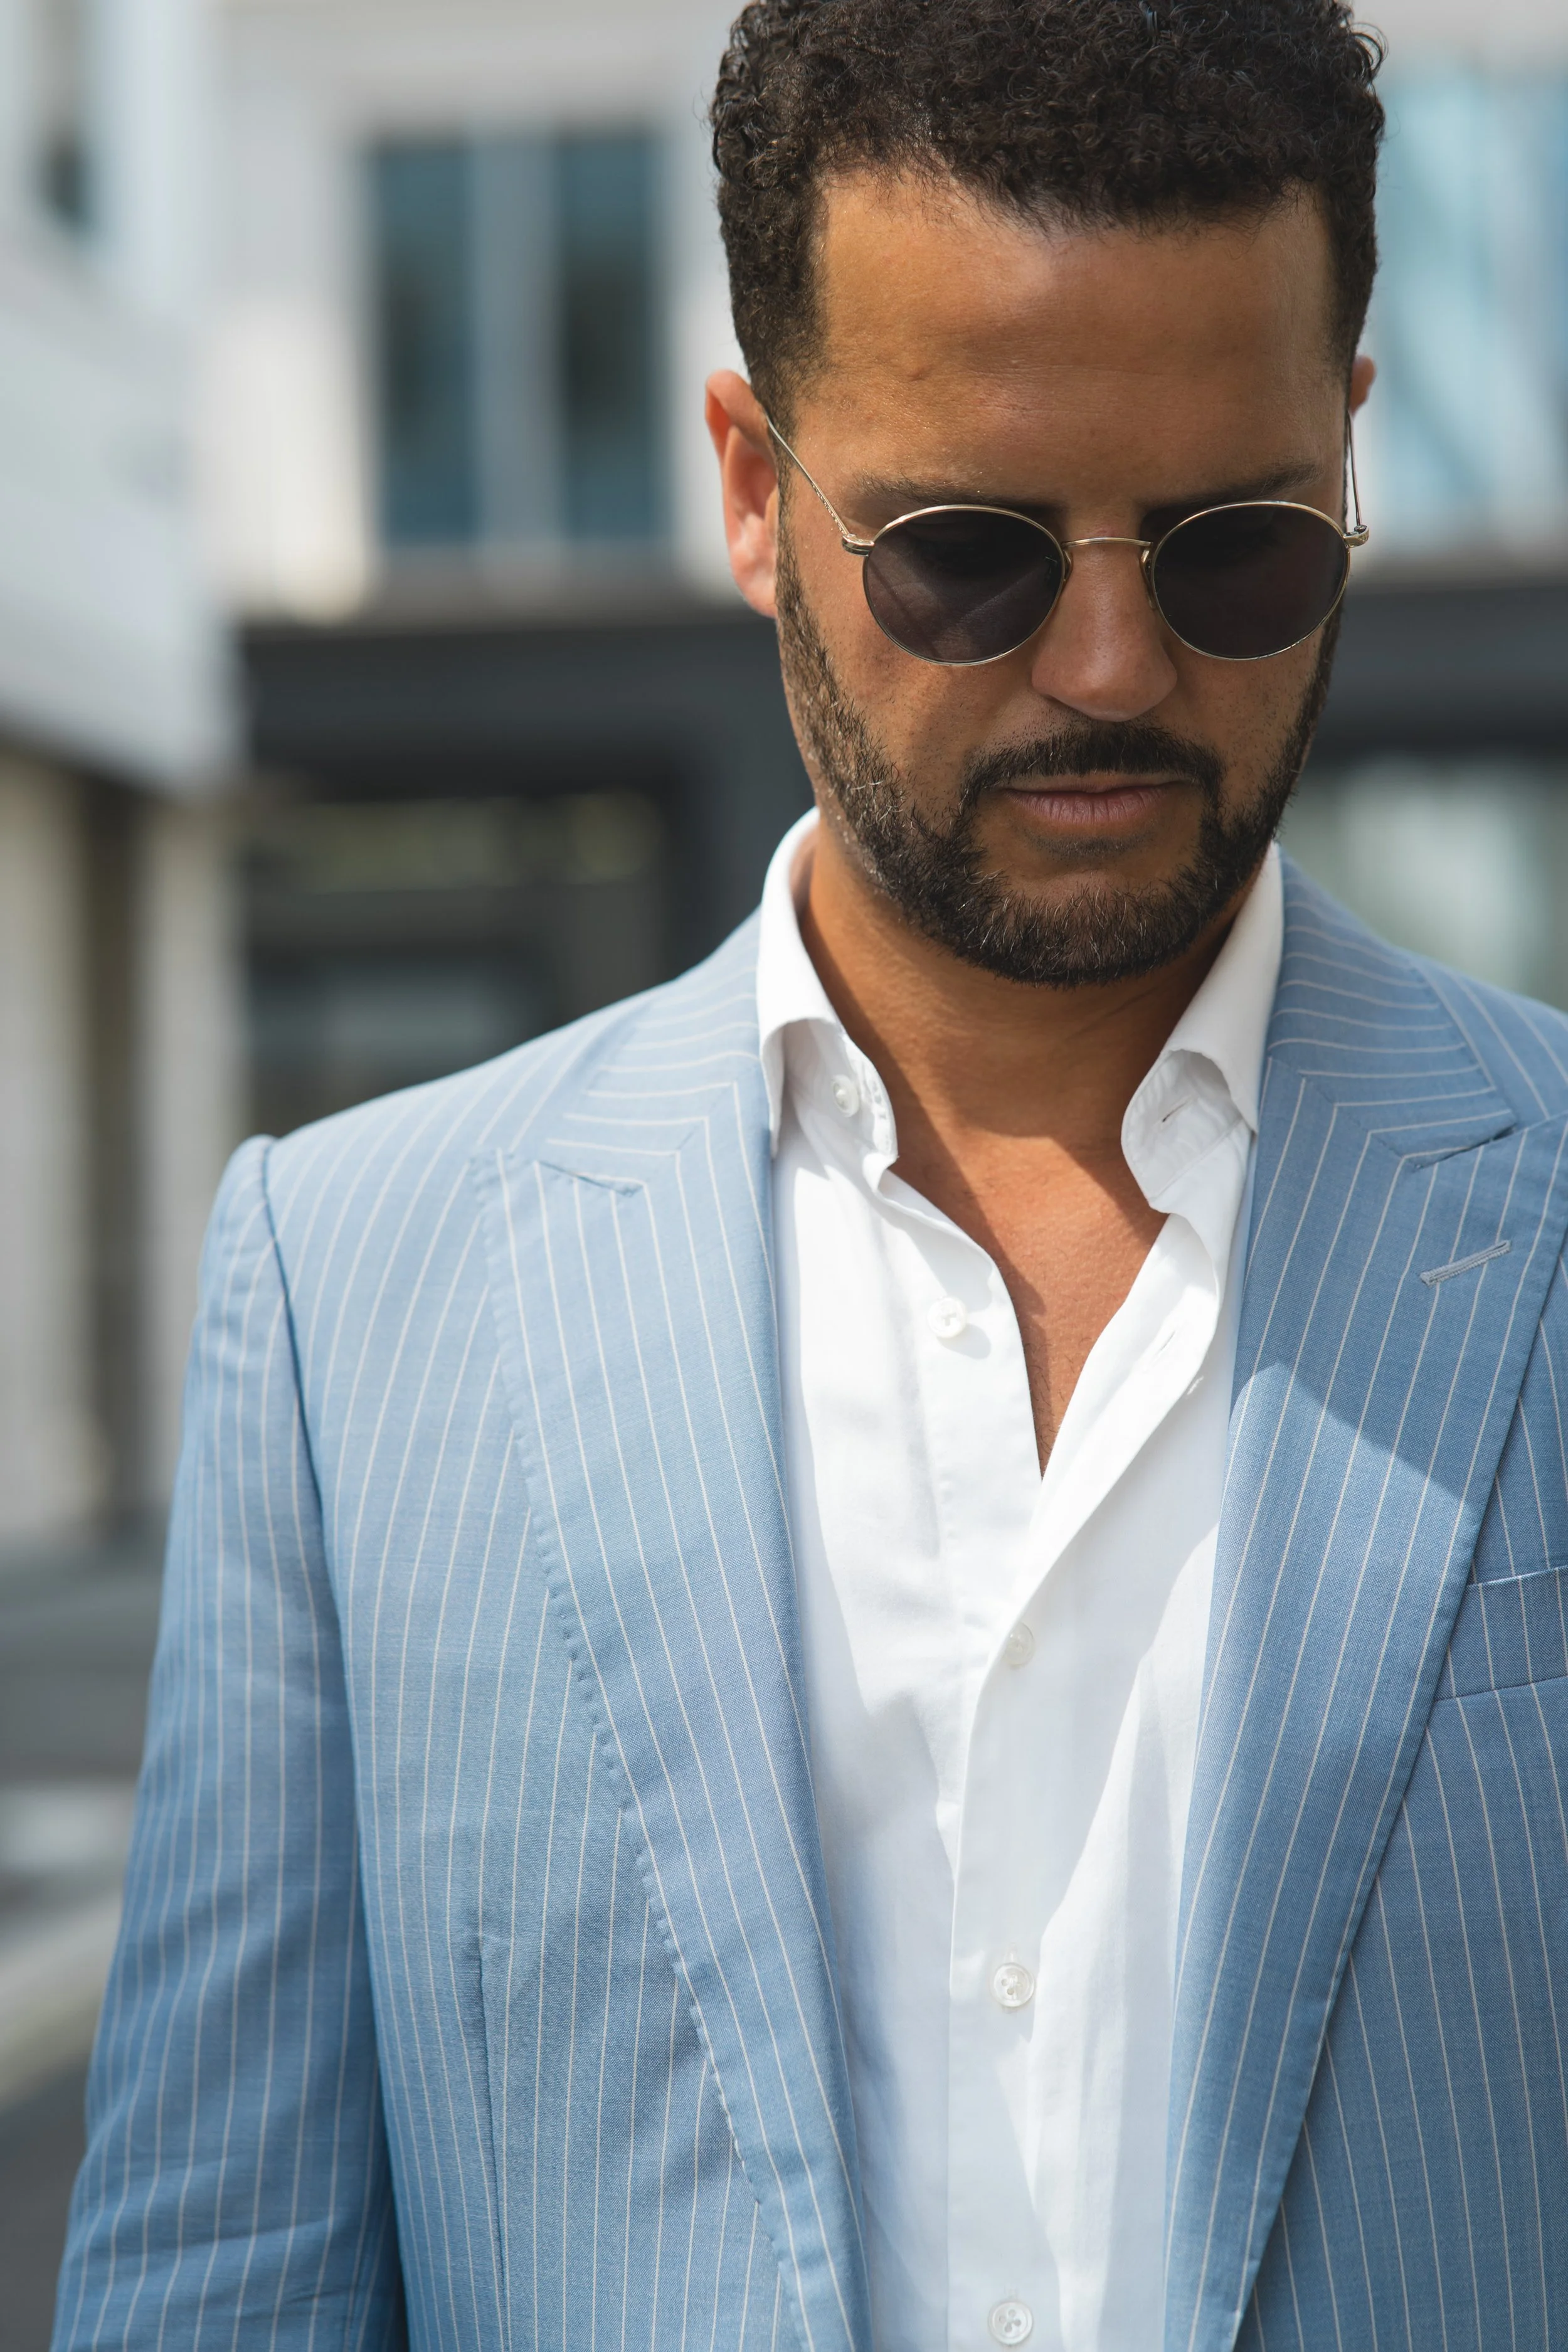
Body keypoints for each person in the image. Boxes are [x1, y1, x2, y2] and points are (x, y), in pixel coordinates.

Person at [53, 4, 1568, 2348]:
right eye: (963, 552)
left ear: (1349, 460)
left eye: (1234, 549)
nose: (1103, 660)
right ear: (754, 486)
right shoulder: (354, 1302)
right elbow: (221, 2276)